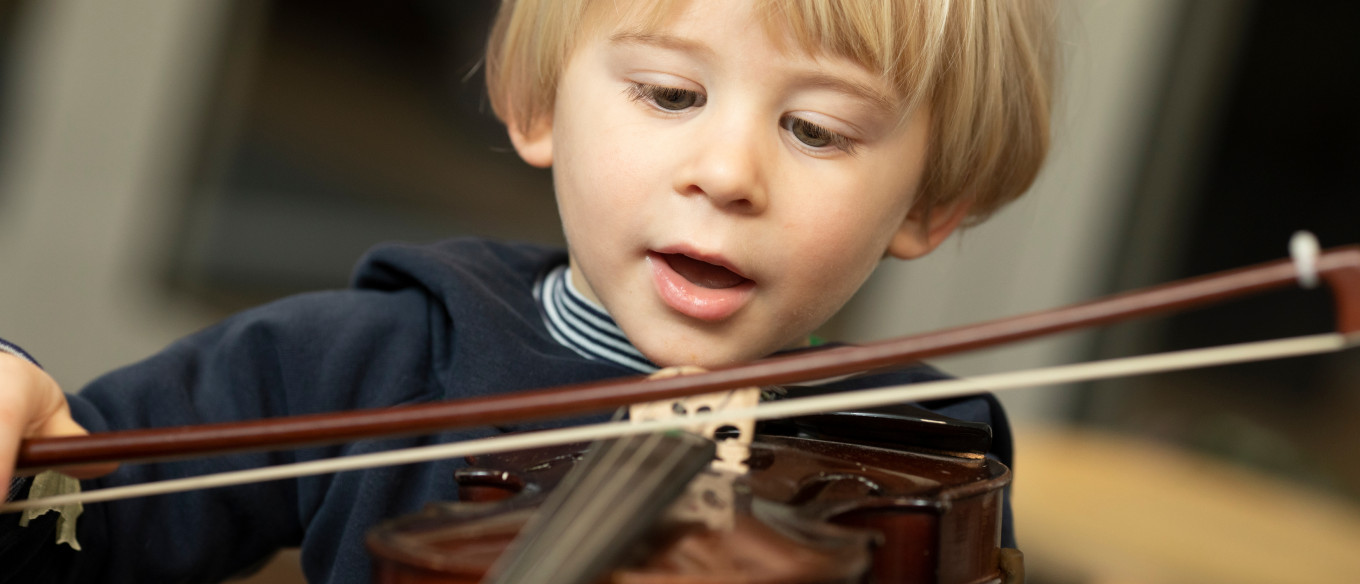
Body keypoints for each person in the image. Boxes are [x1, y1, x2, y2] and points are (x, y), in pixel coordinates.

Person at [0, 0, 1056, 581]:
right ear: (537, 104)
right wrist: (19, 406)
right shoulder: (367, 363)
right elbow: (84, 508)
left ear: (931, 202)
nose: (728, 173)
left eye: (816, 130)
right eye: (671, 93)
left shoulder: (920, 462)